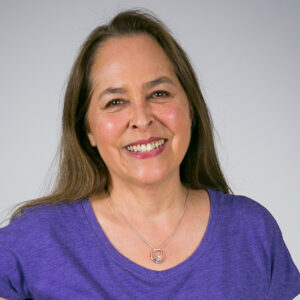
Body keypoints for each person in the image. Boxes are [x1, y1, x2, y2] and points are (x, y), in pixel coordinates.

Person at [0, 9, 299, 300]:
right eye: (116, 101)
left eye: (159, 94)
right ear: (87, 129)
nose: (141, 118)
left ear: (191, 108)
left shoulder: (251, 231)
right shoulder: (36, 241)